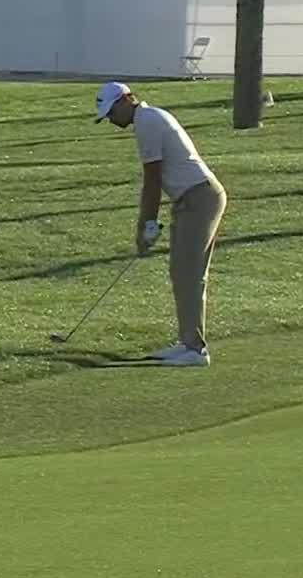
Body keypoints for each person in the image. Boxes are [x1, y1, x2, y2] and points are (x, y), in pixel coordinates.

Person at [94, 81, 227, 367]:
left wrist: (148, 225)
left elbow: (152, 180)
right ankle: (188, 342)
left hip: (200, 197)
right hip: (189, 200)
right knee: (181, 271)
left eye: (111, 113)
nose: (111, 121)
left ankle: (196, 350)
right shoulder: (148, 119)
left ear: (126, 100)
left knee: (190, 272)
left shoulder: (148, 122)